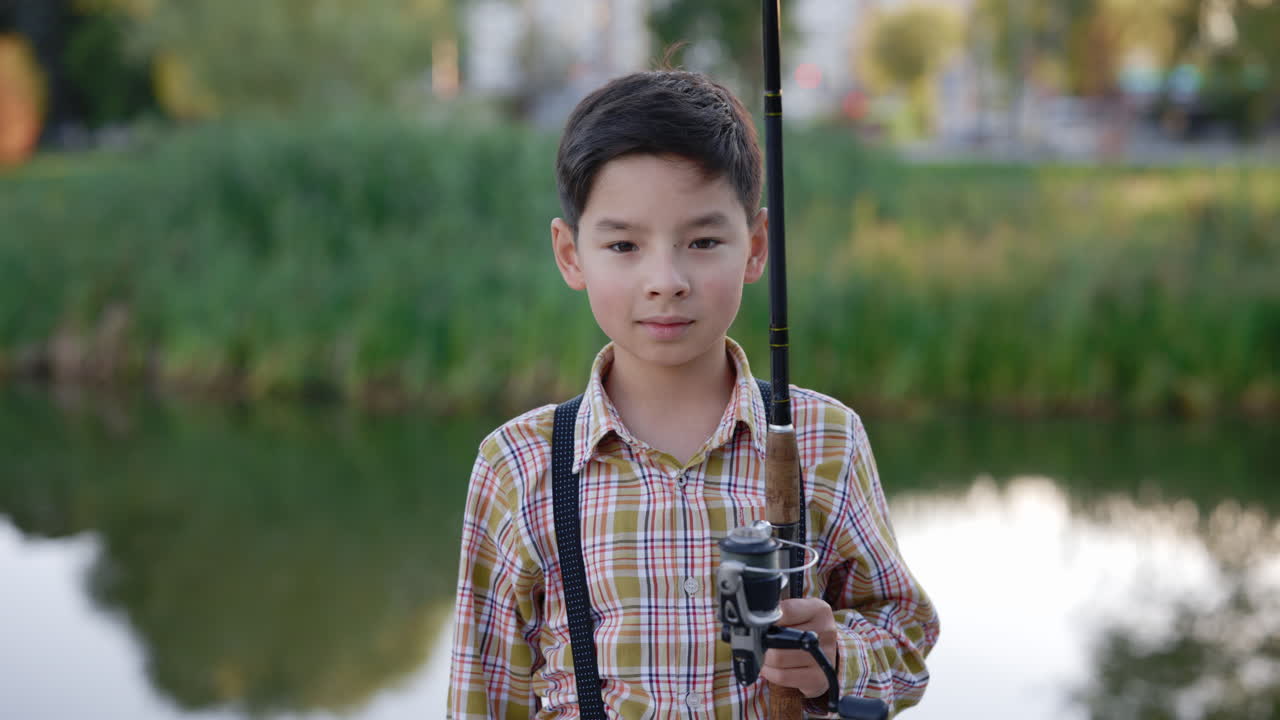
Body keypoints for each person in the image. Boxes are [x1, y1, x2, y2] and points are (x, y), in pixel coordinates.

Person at [447, 70, 939, 719]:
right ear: (570, 255)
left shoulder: (827, 438)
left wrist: (835, 654)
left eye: (703, 242)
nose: (666, 280)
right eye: (623, 245)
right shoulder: (516, 463)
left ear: (756, 246)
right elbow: (482, 697)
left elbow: (904, 641)